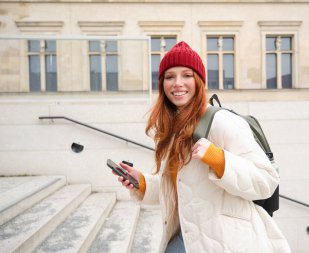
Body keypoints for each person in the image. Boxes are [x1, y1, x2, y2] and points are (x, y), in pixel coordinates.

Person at [114, 41, 291, 253]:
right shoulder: (175, 129)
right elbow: (181, 189)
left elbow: (266, 180)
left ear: (199, 81)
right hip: (189, 239)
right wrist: (142, 183)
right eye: (169, 77)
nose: (177, 83)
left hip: (228, 241)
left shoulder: (221, 121)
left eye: (187, 75)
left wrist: (219, 159)